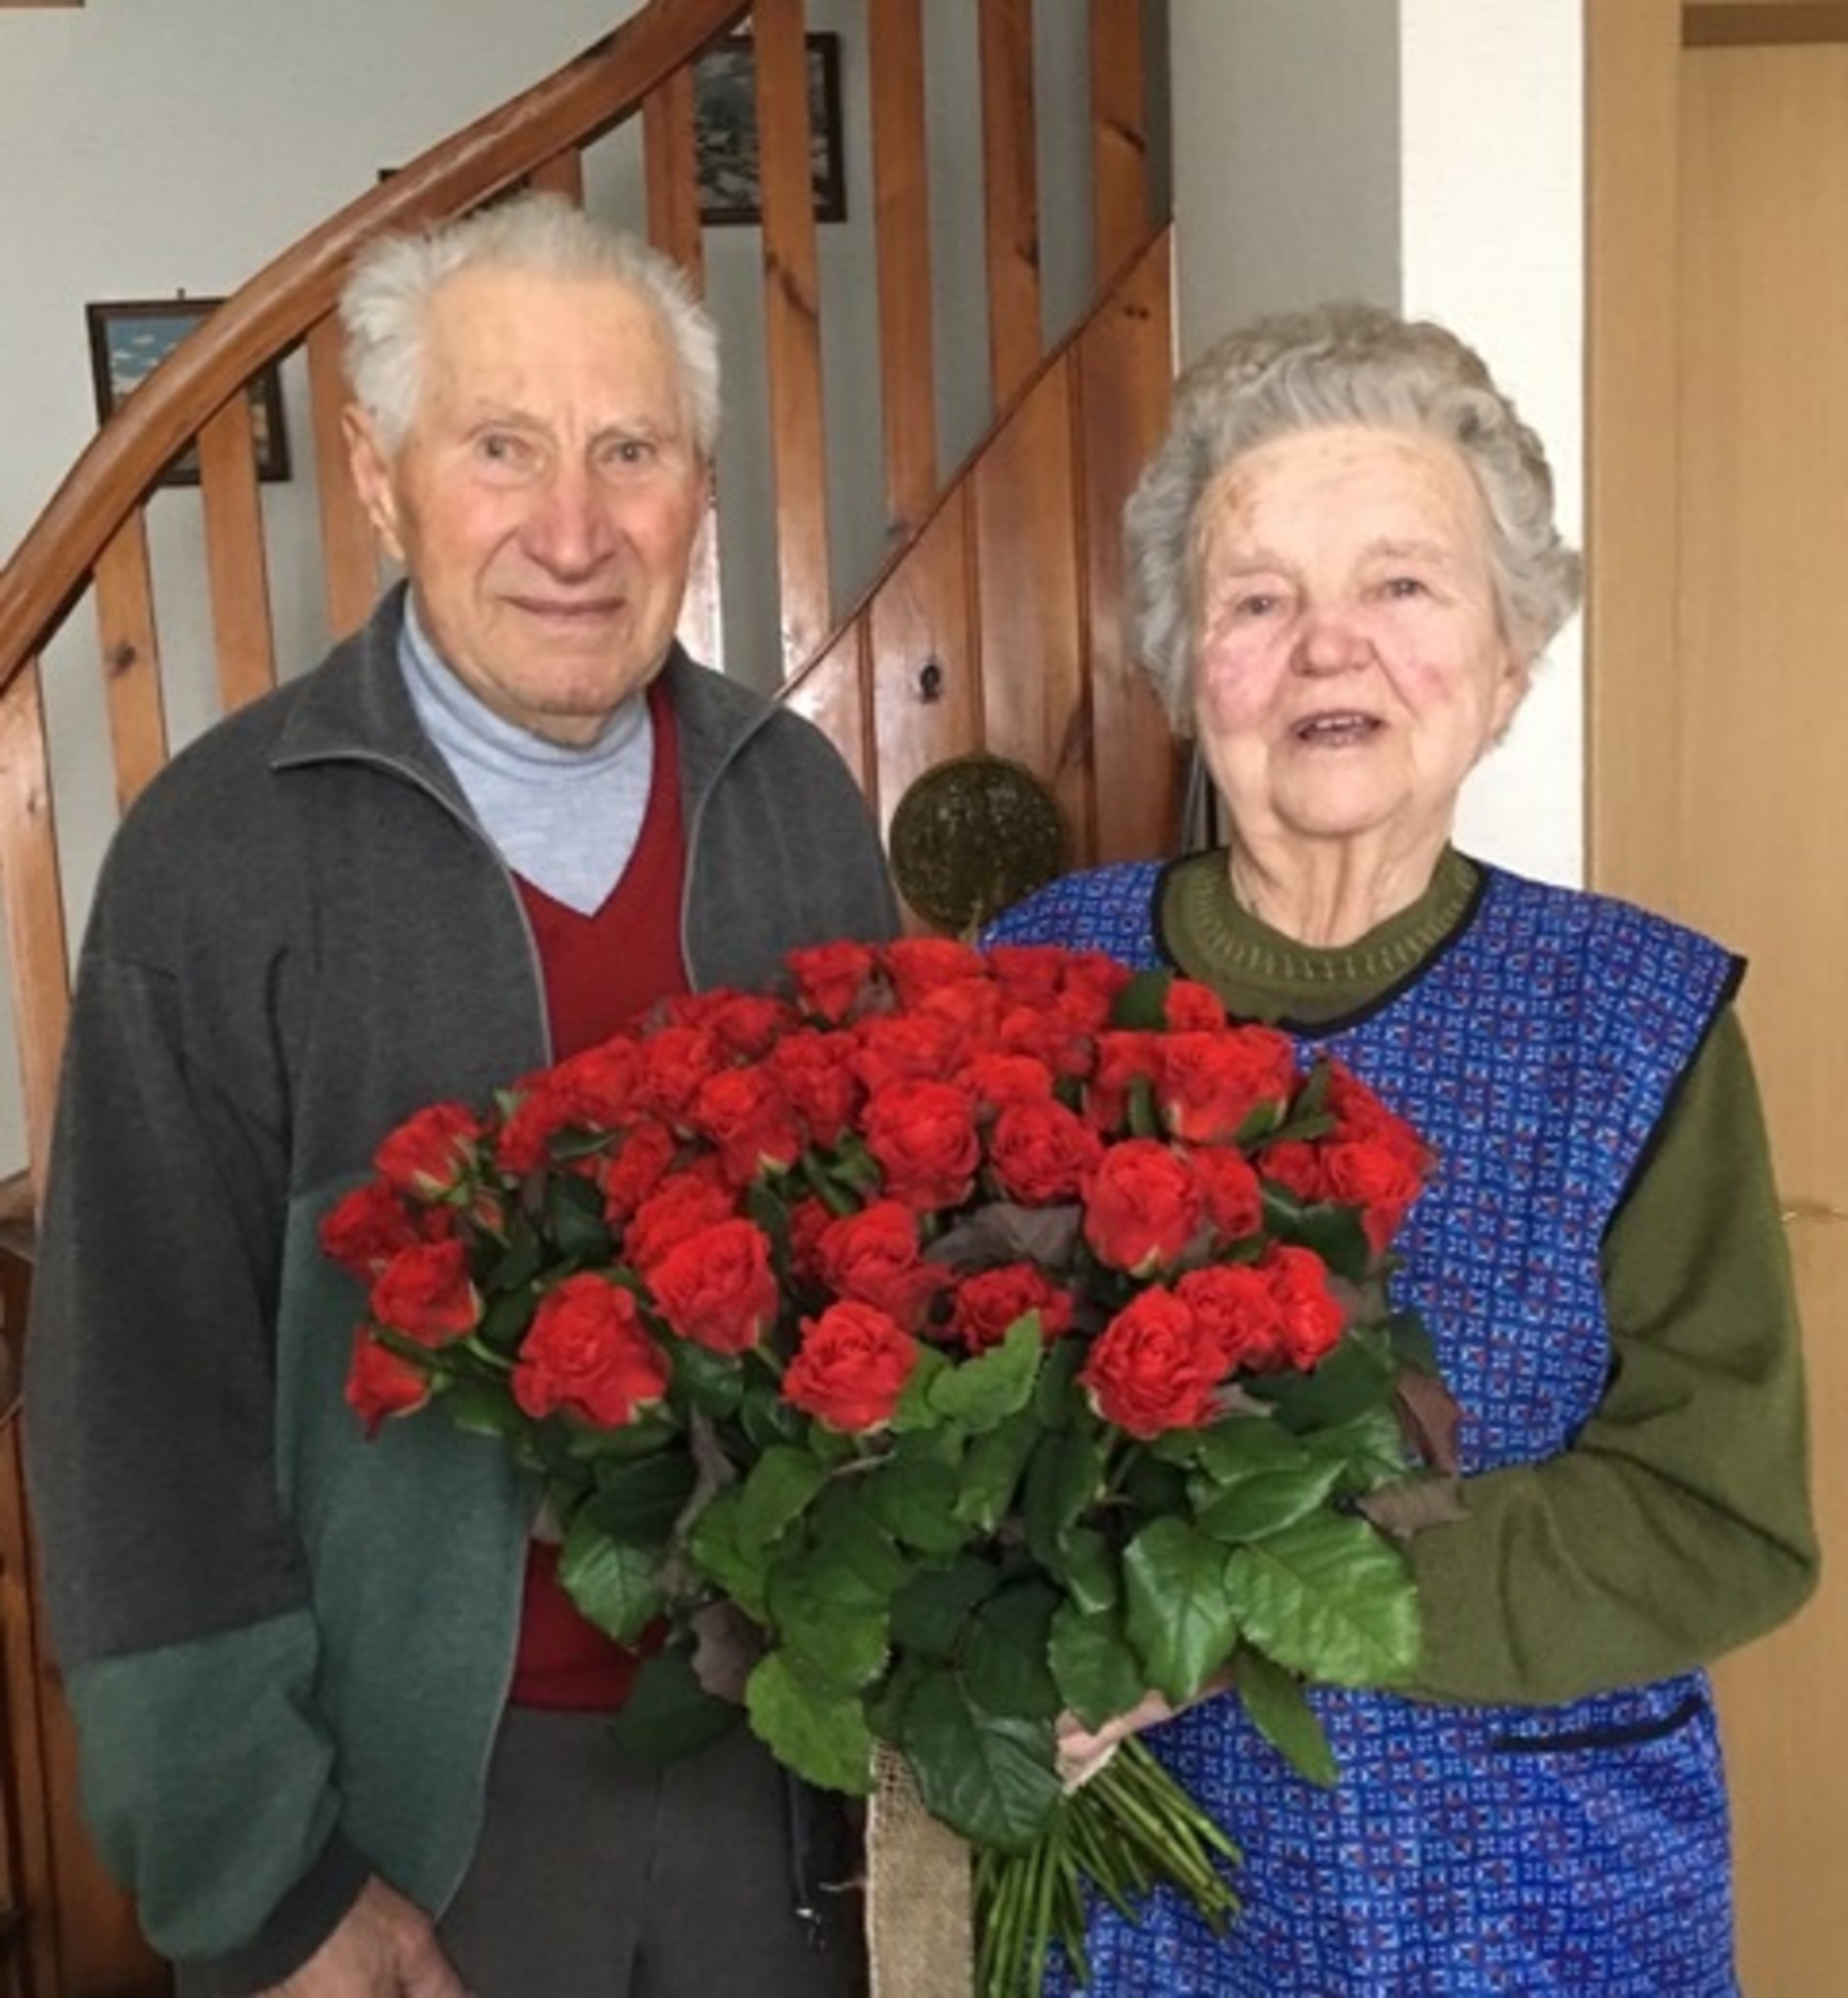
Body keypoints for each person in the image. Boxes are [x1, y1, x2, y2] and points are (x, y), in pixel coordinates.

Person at [23, 192, 897, 1996]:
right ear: (378, 474)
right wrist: (261, 1880)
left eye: (629, 450)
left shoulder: (795, 799)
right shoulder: (218, 856)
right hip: (408, 1820)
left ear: (697, 488)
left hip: (776, 1780)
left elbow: (890, 1285)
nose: (571, 528)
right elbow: (135, 1411)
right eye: (500, 447)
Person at [984, 301, 1819, 1995]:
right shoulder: (1033, 988)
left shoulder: (1635, 1017)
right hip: (1154, 1898)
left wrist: (1263, 1596)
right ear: (1183, 663)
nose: (1325, 647)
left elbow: (1715, 1517)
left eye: (1400, 584)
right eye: (1258, 598)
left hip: (1551, 1900)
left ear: (1506, 662)